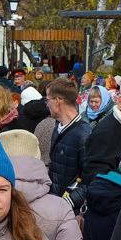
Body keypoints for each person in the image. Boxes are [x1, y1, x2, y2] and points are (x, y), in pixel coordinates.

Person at [43, 78, 92, 213]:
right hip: (55, 205)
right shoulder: (57, 127)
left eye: (48, 100)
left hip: (69, 211)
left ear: (58, 101)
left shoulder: (85, 134)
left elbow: (90, 179)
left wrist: (68, 202)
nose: (47, 104)